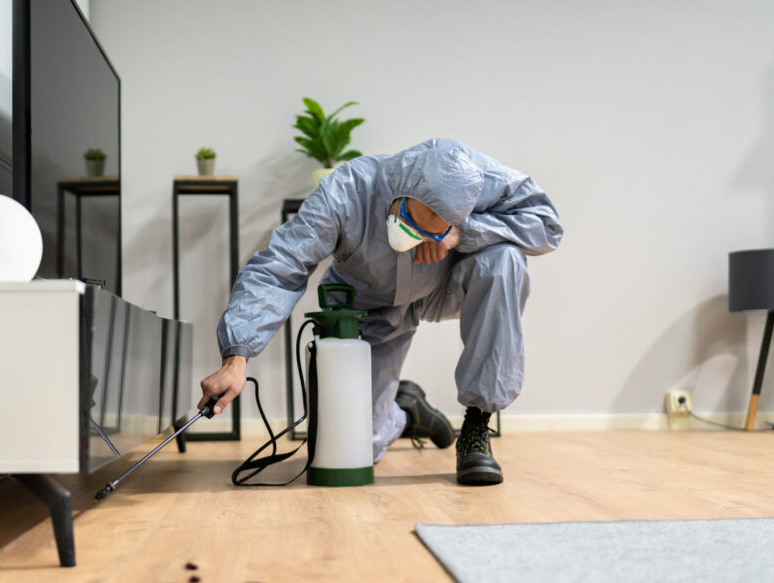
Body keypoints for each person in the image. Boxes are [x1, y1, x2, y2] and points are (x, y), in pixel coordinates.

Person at [198, 138, 562, 485]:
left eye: (429, 232)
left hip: (443, 287)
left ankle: (477, 426)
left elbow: (547, 224)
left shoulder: (479, 178)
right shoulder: (345, 193)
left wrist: (462, 234)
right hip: (370, 305)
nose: (414, 237)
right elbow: (281, 265)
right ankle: (405, 413)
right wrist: (237, 357)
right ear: (401, 190)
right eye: (412, 221)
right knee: (356, 448)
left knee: (504, 260)